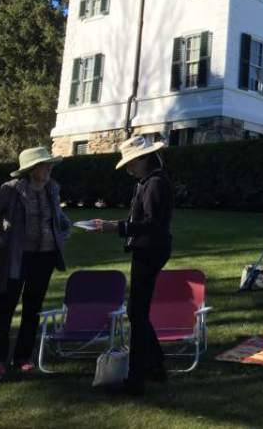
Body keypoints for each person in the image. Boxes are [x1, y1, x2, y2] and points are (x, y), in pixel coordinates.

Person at [92, 136, 174, 396]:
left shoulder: (155, 183)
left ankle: (137, 376)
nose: (129, 168)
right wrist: (119, 225)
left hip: (150, 249)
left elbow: (152, 224)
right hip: (148, 248)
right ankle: (154, 364)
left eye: (131, 163)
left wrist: (116, 228)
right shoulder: (148, 182)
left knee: (137, 312)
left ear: (144, 159)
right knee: (137, 310)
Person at [0, 147, 71, 378]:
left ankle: (23, 356)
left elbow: (57, 217)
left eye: (50, 164)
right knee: (6, 305)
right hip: (16, 256)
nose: (50, 168)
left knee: (33, 307)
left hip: (45, 256)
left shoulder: (52, 188)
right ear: (32, 169)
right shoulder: (11, 190)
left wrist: (64, 229)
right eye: (45, 164)